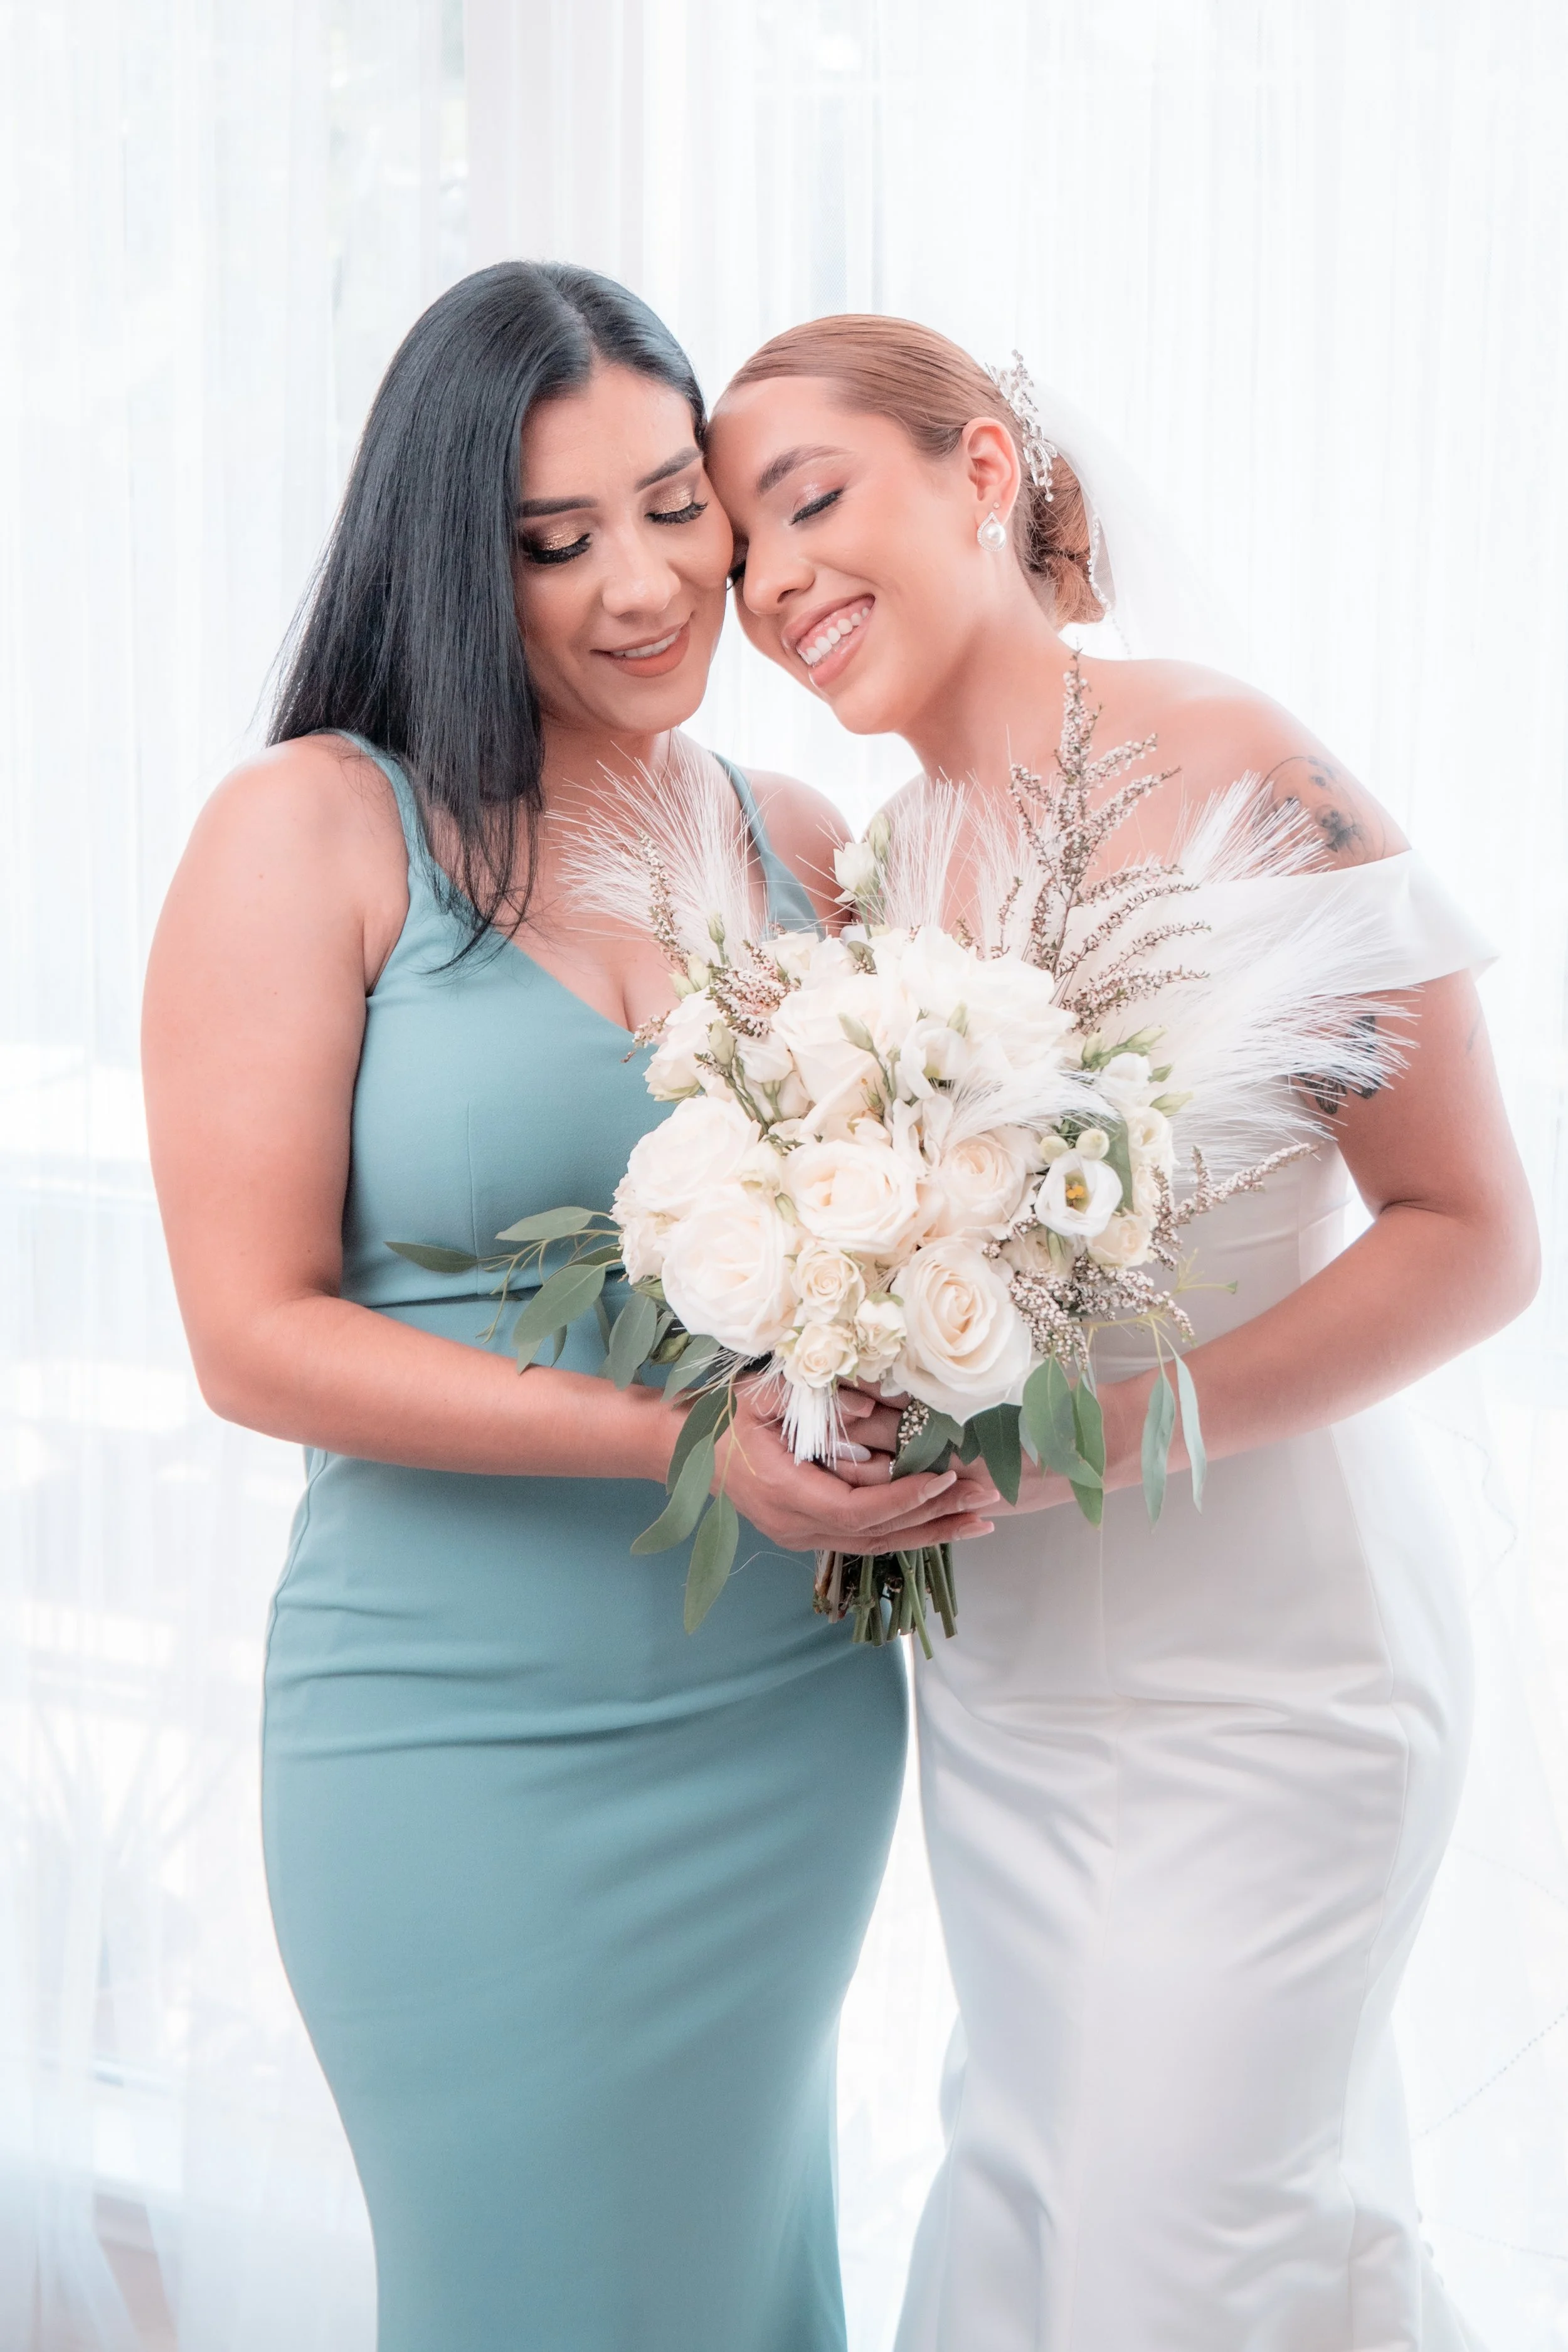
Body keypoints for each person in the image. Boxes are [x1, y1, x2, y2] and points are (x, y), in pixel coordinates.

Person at [140, 265, 997, 2352]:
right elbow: (249, 1335)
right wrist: (676, 1442)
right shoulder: (320, 828)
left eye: (668, 505)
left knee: (732, 2277)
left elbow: (895, 1259)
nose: (644, 582)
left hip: (771, 1721)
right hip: (449, 1727)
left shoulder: (799, 845)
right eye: (554, 541)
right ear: (453, 553)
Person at [706, 314, 1539, 2351]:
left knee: (1203, 2254)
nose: (776, 582)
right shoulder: (873, 879)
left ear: (983, 472)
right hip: (1002, 1691)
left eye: (813, 502)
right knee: (1032, 2208)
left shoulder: (1238, 765)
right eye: (739, 554)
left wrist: (1126, 1419)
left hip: (1270, 1683)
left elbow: (1475, 1231)